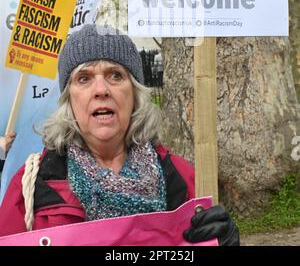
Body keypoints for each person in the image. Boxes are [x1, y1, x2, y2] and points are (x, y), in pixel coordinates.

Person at [0, 24, 239, 245]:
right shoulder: (30, 187)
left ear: (135, 94)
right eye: (84, 79)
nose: (101, 90)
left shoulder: (183, 179)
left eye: (115, 75)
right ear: (68, 100)